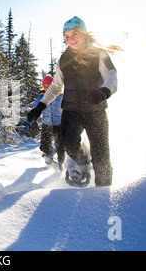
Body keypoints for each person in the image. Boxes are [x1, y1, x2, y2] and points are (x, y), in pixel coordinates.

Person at [28, 17, 120, 187]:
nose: (71, 39)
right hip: (71, 111)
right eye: (67, 36)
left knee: (101, 157)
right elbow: (56, 87)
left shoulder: (99, 54)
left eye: (74, 34)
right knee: (68, 144)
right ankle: (83, 161)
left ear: (84, 34)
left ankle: (103, 191)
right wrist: (41, 106)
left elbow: (111, 78)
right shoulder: (63, 59)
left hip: (95, 111)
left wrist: (103, 92)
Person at [31, 76, 65, 170]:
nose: (47, 88)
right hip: (46, 124)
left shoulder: (60, 96)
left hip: (59, 124)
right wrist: (34, 123)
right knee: (44, 146)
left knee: (61, 145)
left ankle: (61, 162)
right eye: (45, 86)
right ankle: (49, 154)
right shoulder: (41, 98)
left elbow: (67, 110)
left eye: (49, 85)